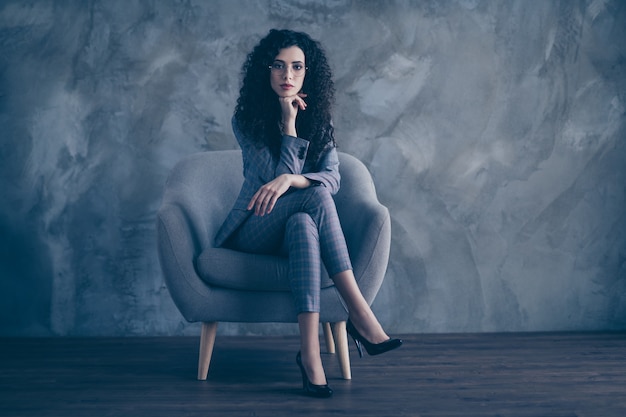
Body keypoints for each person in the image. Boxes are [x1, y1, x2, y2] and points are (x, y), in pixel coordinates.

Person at [214, 29, 402, 398]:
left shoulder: (319, 121)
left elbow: (332, 179)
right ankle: (361, 314)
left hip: (292, 227)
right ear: (265, 72)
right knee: (312, 199)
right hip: (255, 226)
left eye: (297, 67)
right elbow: (269, 187)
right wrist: (287, 129)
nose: (288, 76)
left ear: (307, 73)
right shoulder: (246, 121)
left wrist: (292, 177)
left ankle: (311, 359)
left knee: (304, 219)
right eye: (279, 66)